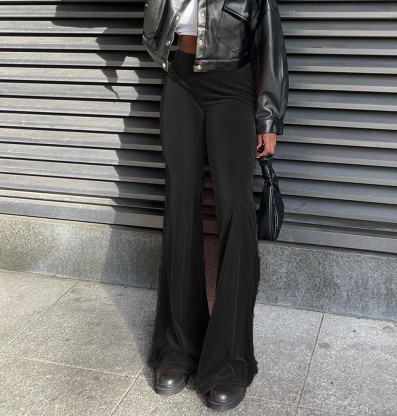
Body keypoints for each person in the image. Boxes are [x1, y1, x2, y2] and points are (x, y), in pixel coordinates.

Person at [142, 0, 289, 411]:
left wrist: (268, 116)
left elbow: (270, 40)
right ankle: (177, 347)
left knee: (235, 211)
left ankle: (230, 359)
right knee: (179, 207)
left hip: (233, 84)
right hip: (180, 79)